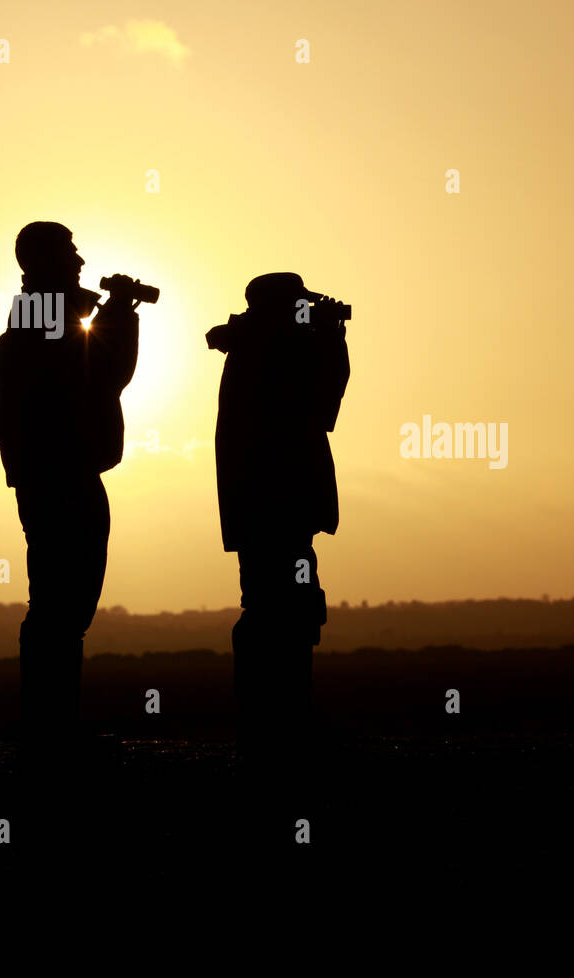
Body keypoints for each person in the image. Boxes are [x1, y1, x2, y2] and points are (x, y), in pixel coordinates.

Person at [0, 221, 140, 760]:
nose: (80, 262)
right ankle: (50, 733)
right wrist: (119, 312)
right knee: (60, 604)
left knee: (60, 604)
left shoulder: (35, 322)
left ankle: (51, 728)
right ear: (42, 261)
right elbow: (106, 372)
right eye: (69, 252)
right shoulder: (43, 325)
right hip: (61, 476)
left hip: (52, 474)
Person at [207, 273, 350, 761]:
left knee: (275, 608)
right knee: (285, 612)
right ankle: (281, 725)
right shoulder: (275, 351)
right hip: (280, 508)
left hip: (260, 509)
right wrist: (332, 341)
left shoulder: (255, 344)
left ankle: (270, 721)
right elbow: (322, 406)